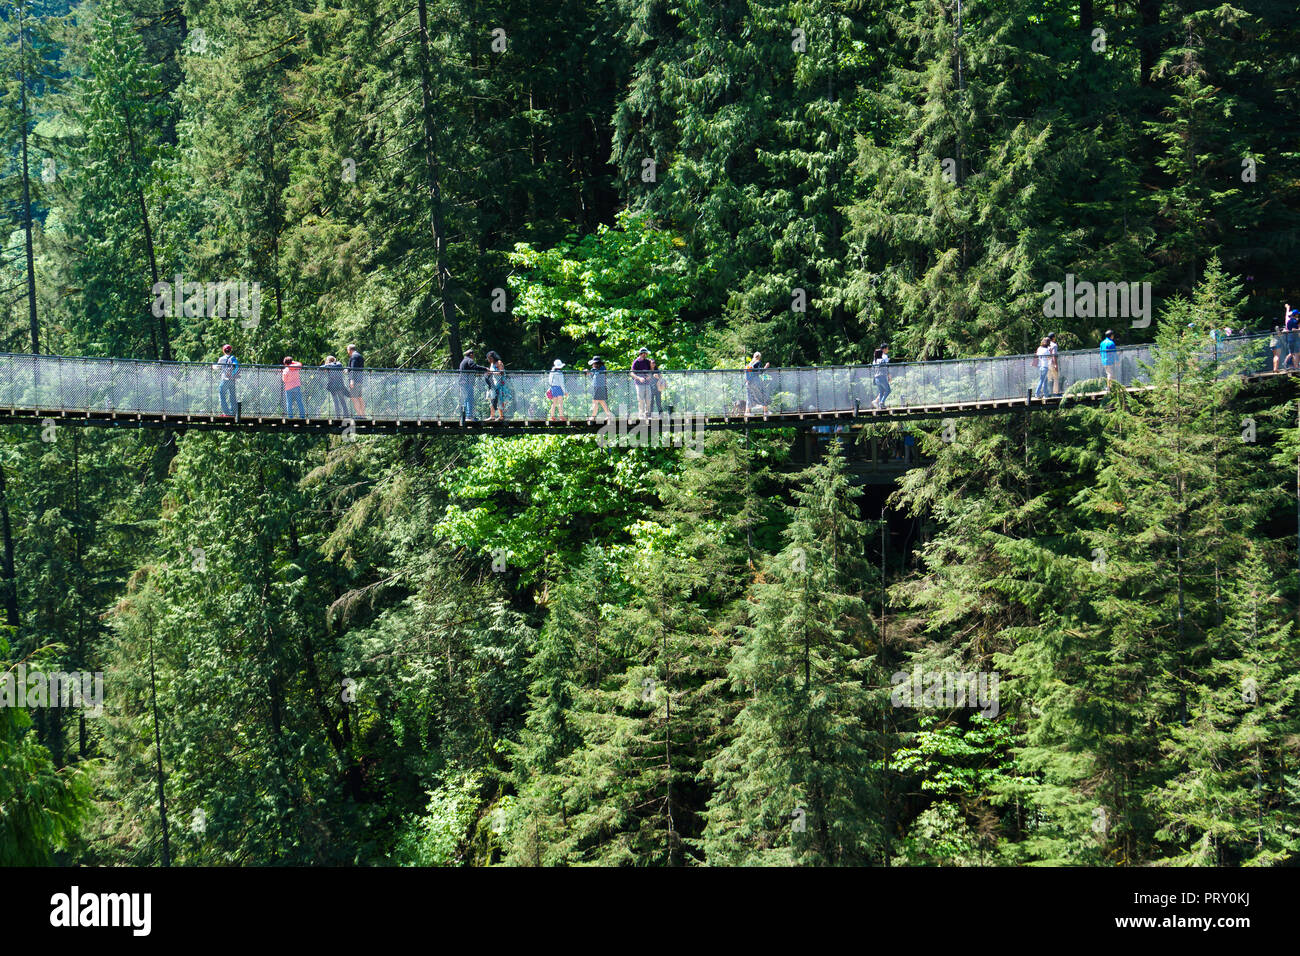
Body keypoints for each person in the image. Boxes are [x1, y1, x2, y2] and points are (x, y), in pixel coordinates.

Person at [458, 349, 487, 419]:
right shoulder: (469, 360)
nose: (474, 356)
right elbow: (475, 367)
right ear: (471, 354)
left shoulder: (463, 361)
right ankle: (469, 416)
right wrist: (485, 369)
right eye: (473, 354)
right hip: (467, 382)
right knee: (470, 399)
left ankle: (466, 416)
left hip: (462, 382)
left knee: (466, 399)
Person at [212, 344, 239, 417]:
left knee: (222, 394)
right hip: (232, 379)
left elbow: (217, 367)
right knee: (232, 395)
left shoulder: (222, 359)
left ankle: (226, 412)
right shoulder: (233, 358)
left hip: (225, 379)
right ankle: (233, 412)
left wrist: (212, 366)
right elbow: (236, 367)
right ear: (231, 350)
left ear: (223, 351)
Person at [631, 347, 654, 418]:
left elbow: (651, 371)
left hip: (647, 383)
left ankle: (647, 414)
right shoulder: (636, 362)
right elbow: (632, 373)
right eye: (644, 353)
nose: (645, 355)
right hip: (639, 383)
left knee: (648, 399)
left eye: (646, 353)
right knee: (641, 400)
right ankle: (641, 415)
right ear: (641, 354)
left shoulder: (647, 361)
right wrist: (639, 378)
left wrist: (649, 376)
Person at [484, 351, 507, 421]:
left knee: (500, 400)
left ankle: (501, 416)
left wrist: (492, 373)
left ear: (492, 357)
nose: (488, 360)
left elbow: (502, 372)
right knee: (492, 399)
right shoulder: (491, 364)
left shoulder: (499, 362)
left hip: (499, 384)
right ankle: (492, 416)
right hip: (493, 383)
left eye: (489, 358)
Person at [587, 356, 610, 422]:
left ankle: (593, 417)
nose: (593, 365)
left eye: (594, 363)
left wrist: (593, 370)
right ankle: (609, 415)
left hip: (601, 387)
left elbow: (601, 372)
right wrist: (588, 372)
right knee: (601, 402)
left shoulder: (602, 368)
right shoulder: (594, 369)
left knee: (595, 402)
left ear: (598, 363)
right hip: (596, 387)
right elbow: (592, 375)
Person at [346, 343, 366, 417]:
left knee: (354, 397)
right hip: (359, 380)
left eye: (347, 350)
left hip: (355, 380)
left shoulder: (354, 356)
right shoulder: (359, 356)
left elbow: (353, 369)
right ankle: (363, 415)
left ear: (350, 350)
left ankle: (359, 415)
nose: (347, 352)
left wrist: (351, 380)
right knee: (359, 397)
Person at [871, 344, 892, 409]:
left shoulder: (874, 361)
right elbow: (886, 368)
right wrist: (889, 376)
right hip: (882, 377)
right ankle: (881, 402)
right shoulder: (883, 359)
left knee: (881, 391)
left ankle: (880, 406)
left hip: (876, 378)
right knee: (888, 390)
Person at [1285, 305, 1299, 371]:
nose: (1298, 315)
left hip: (1290, 338)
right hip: (1295, 339)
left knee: (1291, 353)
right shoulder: (1294, 321)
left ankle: (1285, 363)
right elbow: (1293, 329)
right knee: (1296, 353)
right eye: (1297, 314)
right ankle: (1296, 367)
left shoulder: (1289, 321)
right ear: (1295, 314)